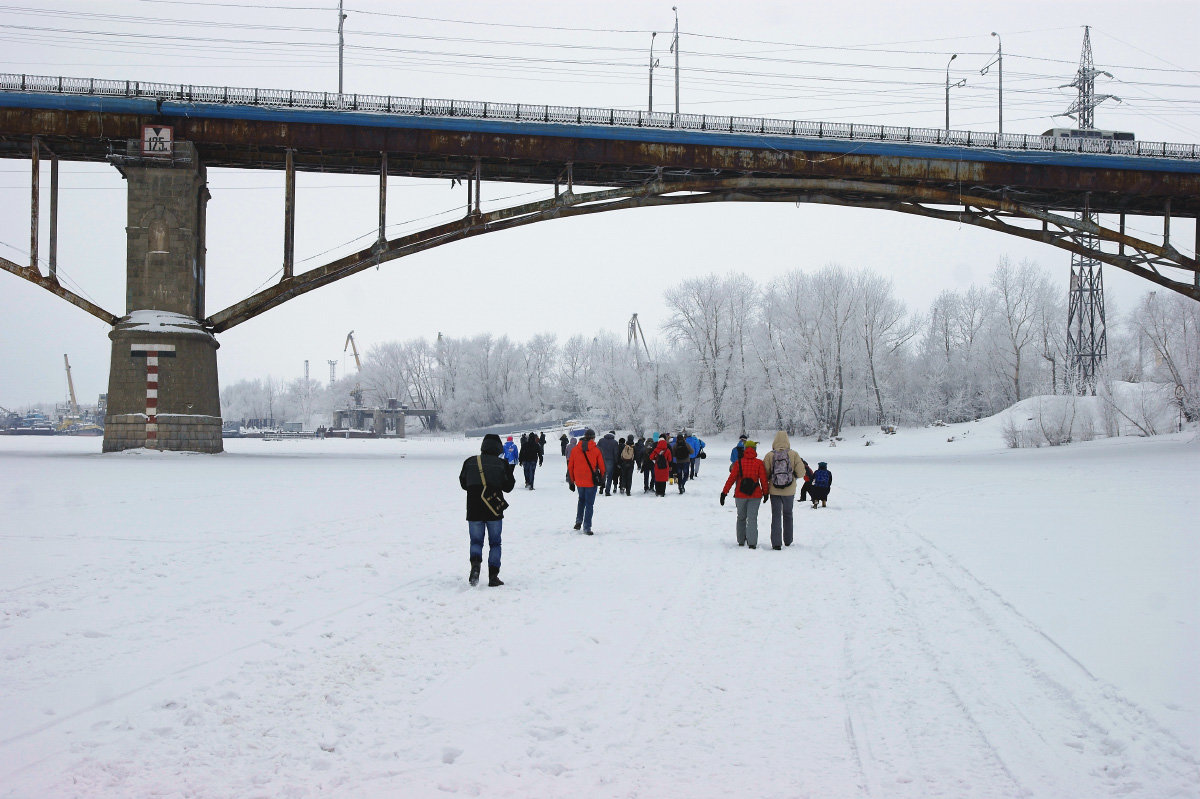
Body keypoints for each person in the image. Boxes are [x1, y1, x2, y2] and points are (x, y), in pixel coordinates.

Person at [458, 433, 516, 586]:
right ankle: (493, 576)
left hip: (473, 508)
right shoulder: (501, 464)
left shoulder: (470, 462)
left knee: (476, 541)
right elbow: (509, 487)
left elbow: (463, 483)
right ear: (498, 448)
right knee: (495, 543)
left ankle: (475, 567)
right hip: (494, 510)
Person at [720, 439, 769, 548]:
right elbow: (763, 480)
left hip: (740, 494)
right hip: (755, 495)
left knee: (741, 517)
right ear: (755, 450)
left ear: (745, 449)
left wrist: (724, 493)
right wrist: (766, 493)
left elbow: (731, 479)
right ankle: (752, 543)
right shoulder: (759, 463)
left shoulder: (738, 463)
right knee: (752, 518)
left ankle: (741, 540)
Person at [764, 431, 804, 549]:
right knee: (788, 514)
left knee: (776, 515)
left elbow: (765, 473)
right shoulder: (794, 454)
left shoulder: (769, 455)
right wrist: (793, 477)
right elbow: (802, 472)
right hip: (789, 490)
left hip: (774, 490)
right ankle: (788, 540)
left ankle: (776, 543)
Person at [567, 428, 606, 534]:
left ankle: (578, 520)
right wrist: (603, 479)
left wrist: (571, 481)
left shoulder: (575, 449)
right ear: (593, 438)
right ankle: (587, 527)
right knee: (589, 504)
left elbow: (570, 466)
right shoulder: (597, 449)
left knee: (581, 500)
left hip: (579, 480)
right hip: (591, 481)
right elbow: (602, 466)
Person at [597, 430, 619, 496]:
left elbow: (597, 450)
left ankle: (601, 488)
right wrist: (616, 461)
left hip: (601, 459)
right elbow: (616, 453)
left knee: (603, 474)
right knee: (609, 476)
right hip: (610, 460)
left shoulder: (601, 440)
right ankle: (607, 491)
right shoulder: (614, 442)